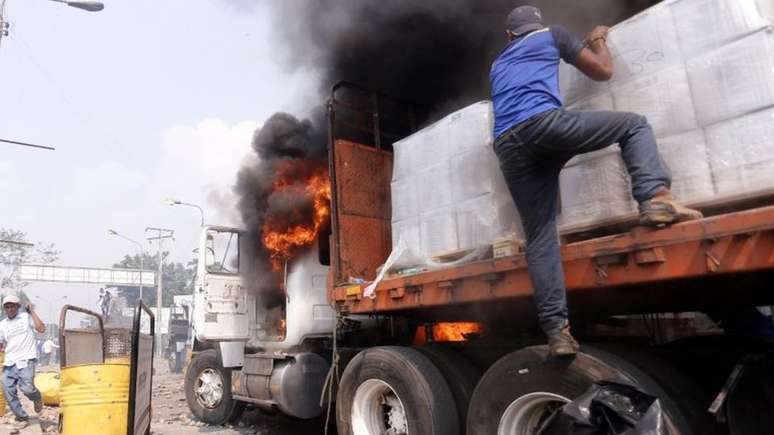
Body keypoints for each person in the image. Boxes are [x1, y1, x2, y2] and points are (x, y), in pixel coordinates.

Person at [490, 6, 703, 357]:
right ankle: (655, 199)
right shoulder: (552, 34)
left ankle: (557, 333)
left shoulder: (496, 64)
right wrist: (599, 39)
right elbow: (603, 72)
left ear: (509, 35)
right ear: (536, 25)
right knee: (633, 124)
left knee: (540, 235)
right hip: (545, 125)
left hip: (508, 146)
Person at [0, 295, 45, 428]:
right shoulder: (2, 324)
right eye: (7, 306)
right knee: (7, 388)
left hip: (26, 359)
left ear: (18, 307)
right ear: (4, 309)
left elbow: (41, 329)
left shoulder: (26, 317)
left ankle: (36, 397)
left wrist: (32, 312)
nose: (10, 309)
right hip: (10, 361)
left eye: (12, 305)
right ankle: (21, 417)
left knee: (27, 389)